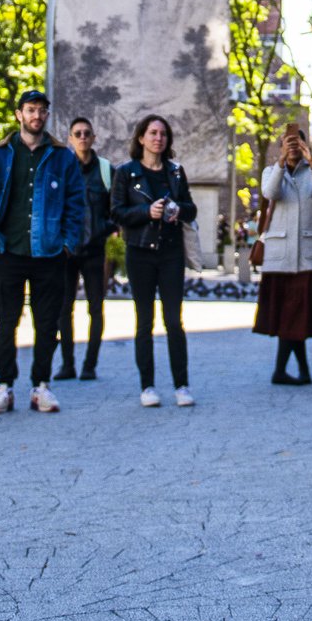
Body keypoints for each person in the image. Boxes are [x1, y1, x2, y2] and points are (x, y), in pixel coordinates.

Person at [0, 88, 90, 416]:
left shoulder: (62, 156)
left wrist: (68, 242)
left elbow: (75, 203)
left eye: (41, 110)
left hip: (50, 252)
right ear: (18, 115)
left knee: (47, 321)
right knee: (6, 320)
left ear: (47, 116)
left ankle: (41, 385)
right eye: (30, 110)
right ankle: (4, 386)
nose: (36, 115)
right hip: (9, 250)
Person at [111, 114, 197, 407]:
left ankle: (181, 385)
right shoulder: (125, 173)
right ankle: (147, 386)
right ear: (141, 138)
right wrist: (147, 212)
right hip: (139, 252)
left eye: (163, 134)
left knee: (174, 320)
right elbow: (117, 213)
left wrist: (176, 209)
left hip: (171, 252)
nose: (158, 138)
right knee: (144, 321)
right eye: (152, 133)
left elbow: (191, 209)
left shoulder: (175, 172)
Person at [253, 122, 312, 385]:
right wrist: (279, 163)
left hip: (309, 256)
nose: (293, 148)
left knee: (296, 315)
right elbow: (270, 192)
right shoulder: (270, 171)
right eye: (287, 143)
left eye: (297, 143)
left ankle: (290, 371)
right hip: (279, 256)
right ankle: (295, 371)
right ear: (280, 147)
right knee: (290, 316)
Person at [57, 115, 115, 382]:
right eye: (77, 133)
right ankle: (67, 364)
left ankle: (90, 365)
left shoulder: (105, 170)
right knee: (63, 308)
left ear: (94, 138)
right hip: (67, 252)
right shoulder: (62, 169)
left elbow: (117, 207)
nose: (82, 137)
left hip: (94, 250)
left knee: (95, 308)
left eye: (86, 133)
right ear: (70, 139)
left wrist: (104, 228)